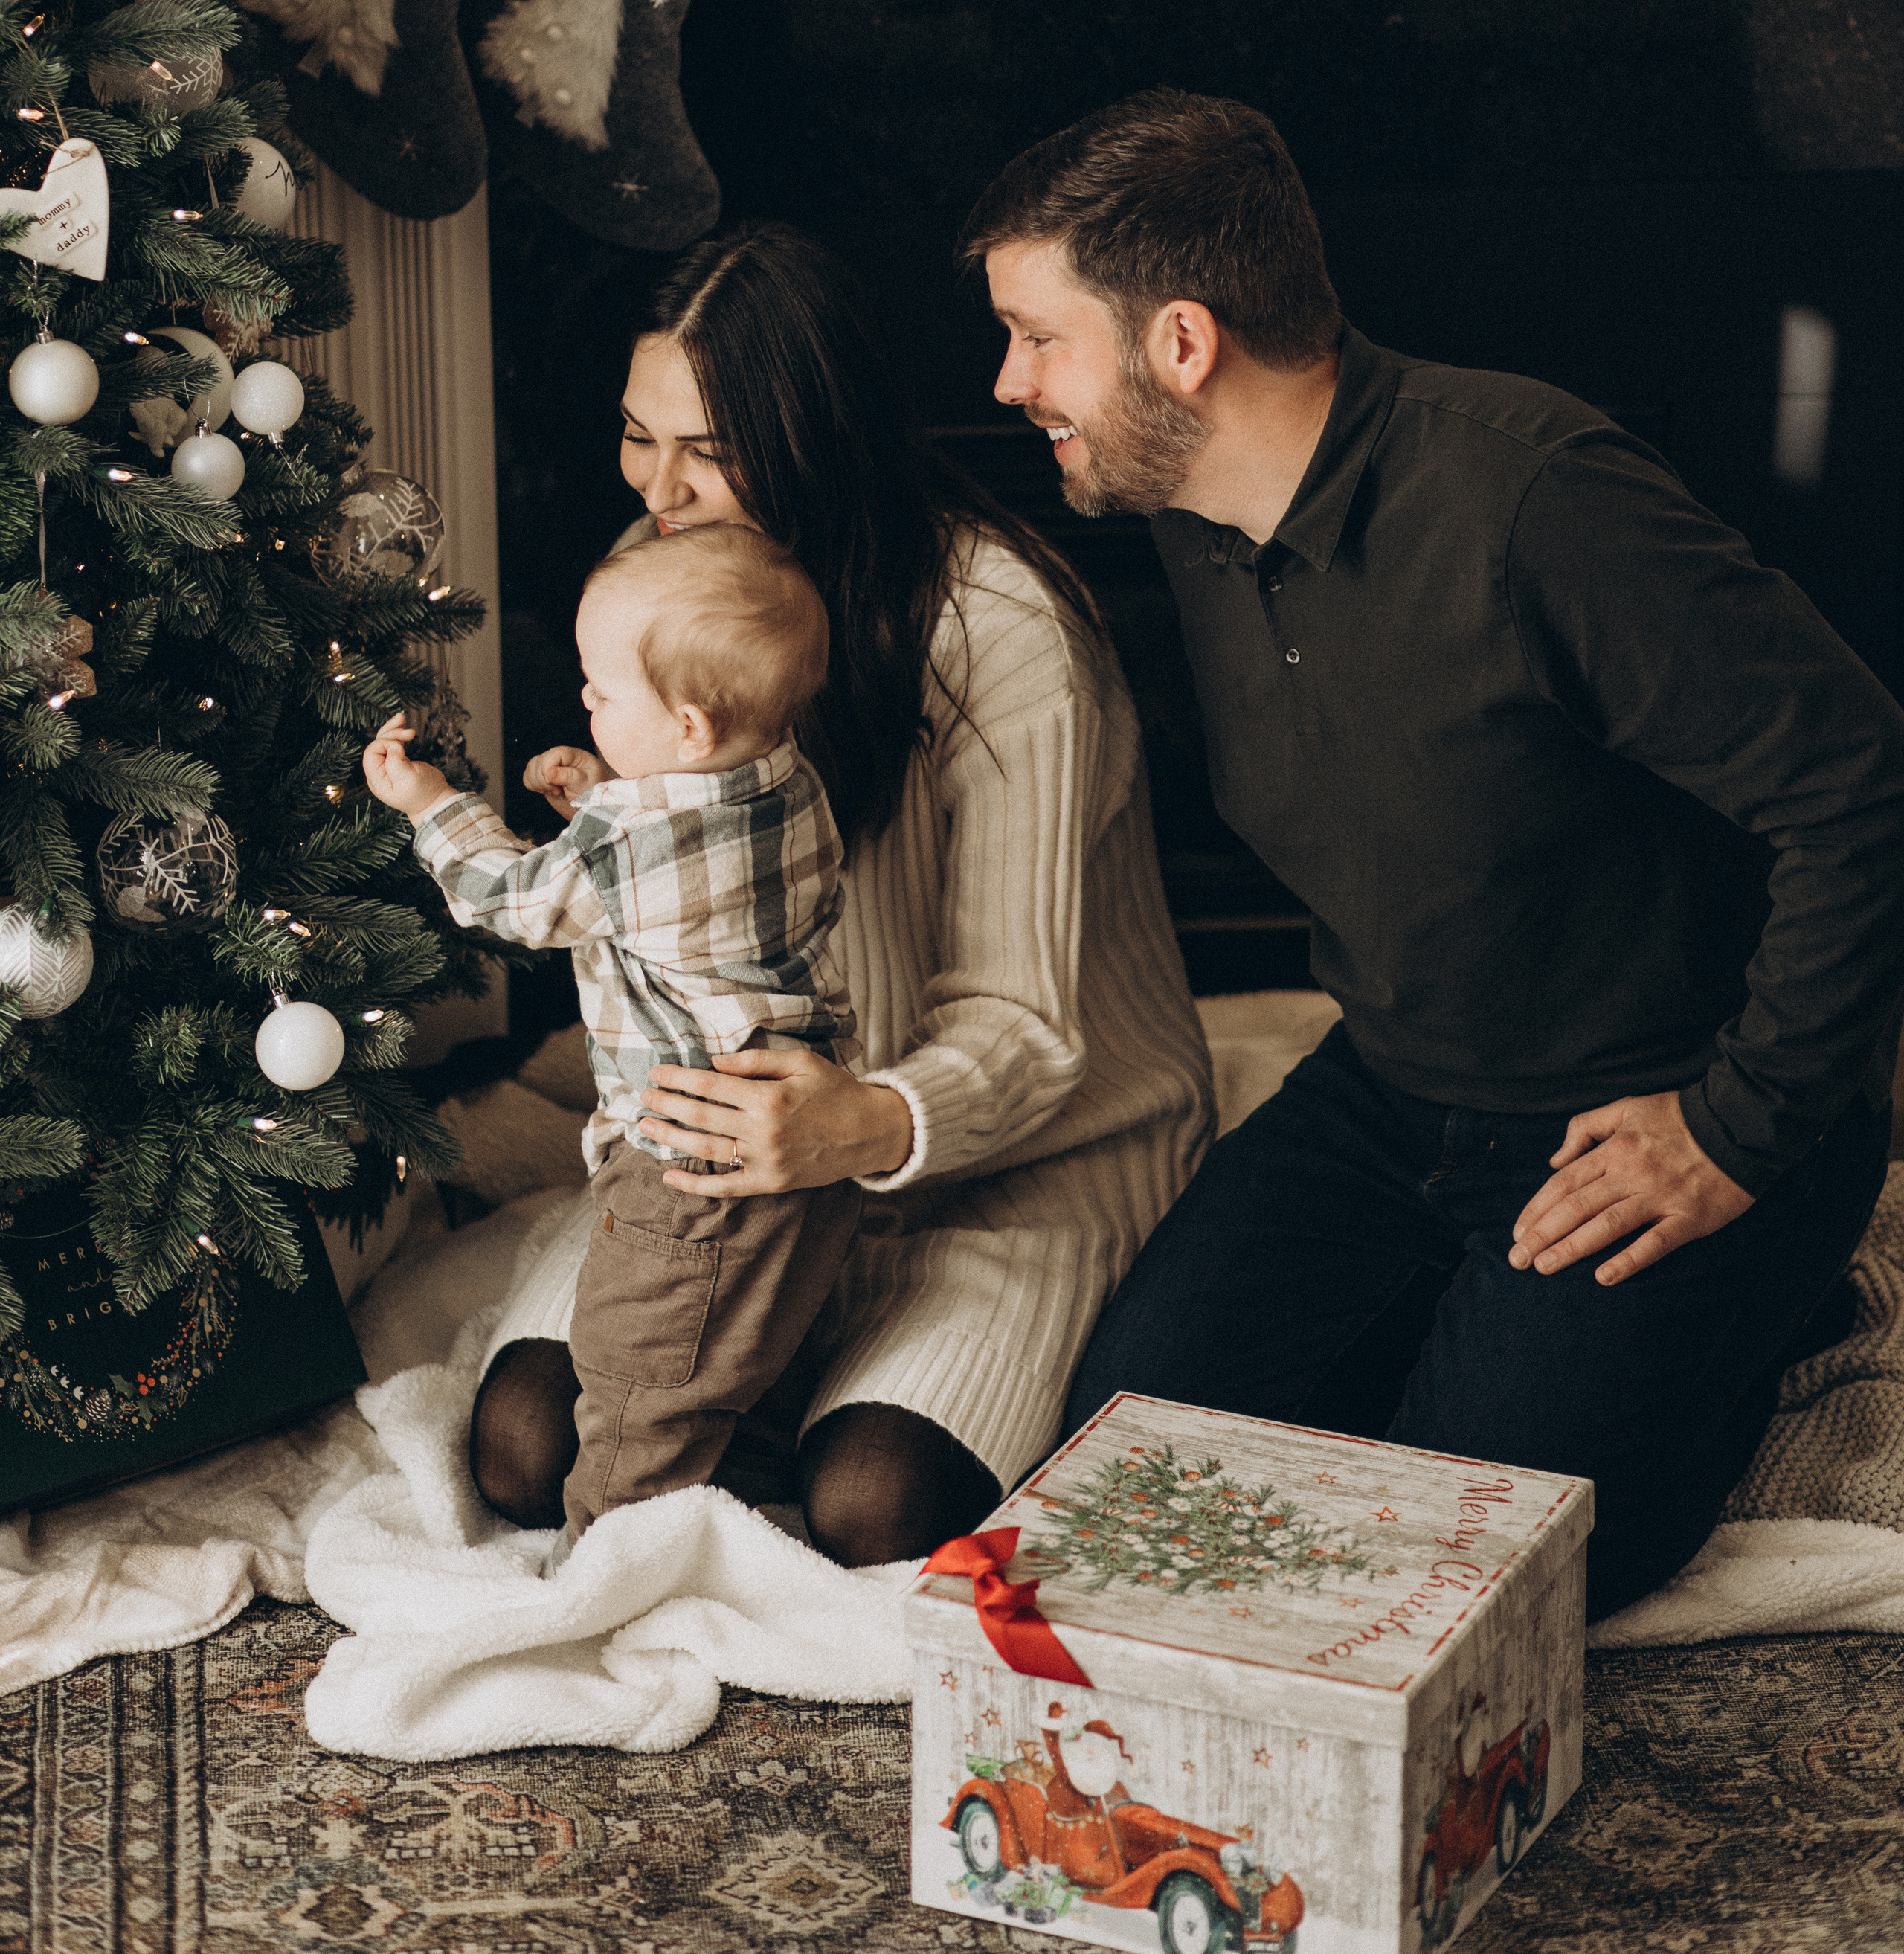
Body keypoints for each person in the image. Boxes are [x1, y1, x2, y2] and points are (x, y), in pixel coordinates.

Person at [962, 86, 1904, 1622]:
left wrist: (1740, 1124)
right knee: (1126, 1474)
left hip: (1648, 1100)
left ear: (1180, 344)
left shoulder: (1533, 501)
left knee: (1464, 1573)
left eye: (1034, 335)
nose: (1006, 383)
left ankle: (1764, 1292)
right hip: (1392, 1090)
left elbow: (1861, 786)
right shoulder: (1190, 507)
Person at [463, 222, 1217, 1565]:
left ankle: (803, 1390)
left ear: (820, 439)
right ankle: (752, 1372)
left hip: (1016, 1155)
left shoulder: (1002, 629)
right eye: (642, 437)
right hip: (744, 1168)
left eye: (713, 447)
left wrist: (862, 1122)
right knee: (527, 1453)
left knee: (872, 1506)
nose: (665, 489)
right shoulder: (673, 579)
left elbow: (1025, 1024)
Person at [364, 527, 859, 1547]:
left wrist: (431, 804)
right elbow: (683, 879)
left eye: (601, 689)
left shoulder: (631, 846)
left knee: (635, 1378)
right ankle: (738, 1496)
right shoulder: (789, 781)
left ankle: (608, 1572)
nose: (584, 698)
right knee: (747, 1346)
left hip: (685, 1169)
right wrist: (601, 794)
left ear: (684, 727)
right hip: (801, 1135)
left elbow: (514, 899)